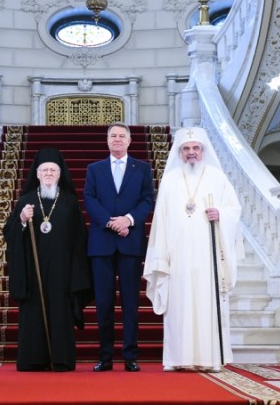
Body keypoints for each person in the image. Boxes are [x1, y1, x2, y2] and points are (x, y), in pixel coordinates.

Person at [143, 127, 243, 372]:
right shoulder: (169, 180)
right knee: (179, 306)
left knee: (207, 305)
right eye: (186, 148)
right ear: (179, 152)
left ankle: (210, 359)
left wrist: (221, 214)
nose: (191, 152)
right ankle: (176, 359)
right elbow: (161, 220)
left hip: (208, 255)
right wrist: (161, 255)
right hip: (177, 255)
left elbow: (234, 209)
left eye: (195, 148)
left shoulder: (217, 177)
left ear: (203, 150)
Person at [3, 147, 92, 371]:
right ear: (37, 174)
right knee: (33, 312)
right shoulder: (26, 201)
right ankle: (34, 359)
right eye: (44, 170)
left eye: (53, 170)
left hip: (62, 271)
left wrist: (76, 270)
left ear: (60, 174)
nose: (49, 174)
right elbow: (9, 234)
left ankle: (61, 359)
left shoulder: (70, 202)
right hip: (33, 270)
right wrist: (22, 220)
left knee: (60, 311)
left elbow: (80, 239)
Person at [84, 122, 154, 372]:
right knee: (103, 302)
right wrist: (112, 223)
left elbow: (147, 199)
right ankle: (105, 357)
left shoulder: (142, 168)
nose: (117, 139)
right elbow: (89, 199)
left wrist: (129, 220)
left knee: (130, 303)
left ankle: (130, 356)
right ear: (107, 140)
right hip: (101, 244)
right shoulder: (94, 169)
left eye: (121, 136)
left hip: (130, 242)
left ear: (129, 140)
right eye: (113, 135)